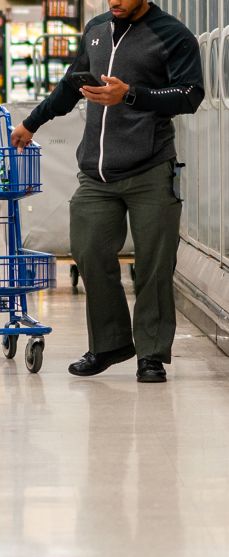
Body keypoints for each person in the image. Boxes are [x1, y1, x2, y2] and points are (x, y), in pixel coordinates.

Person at [11, 0, 203, 383]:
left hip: (150, 169)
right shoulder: (96, 30)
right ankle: (110, 344)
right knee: (89, 252)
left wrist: (130, 95)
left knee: (154, 265)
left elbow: (189, 95)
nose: (114, 1)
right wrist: (32, 123)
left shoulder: (173, 36)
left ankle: (151, 355)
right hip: (96, 175)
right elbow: (72, 86)